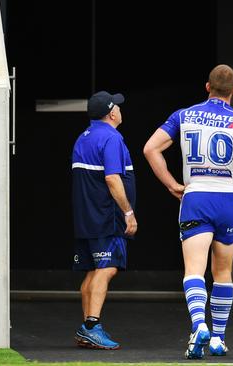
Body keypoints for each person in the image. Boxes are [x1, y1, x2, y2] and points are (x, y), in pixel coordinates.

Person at [143, 64, 233, 359]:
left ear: (207, 87)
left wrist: (171, 184)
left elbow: (150, 148)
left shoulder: (183, 115)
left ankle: (199, 324)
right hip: (230, 199)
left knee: (194, 269)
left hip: (197, 197)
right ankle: (217, 338)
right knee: (223, 272)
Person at [71, 91, 137, 350]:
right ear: (112, 113)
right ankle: (90, 326)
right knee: (106, 268)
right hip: (106, 217)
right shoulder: (111, 137)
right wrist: (128, 212)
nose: (120, 110)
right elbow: (112, 178)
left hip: (86, 218)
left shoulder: (83, 137)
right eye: (117, 107)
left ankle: (87, 330)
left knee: (91, 271)